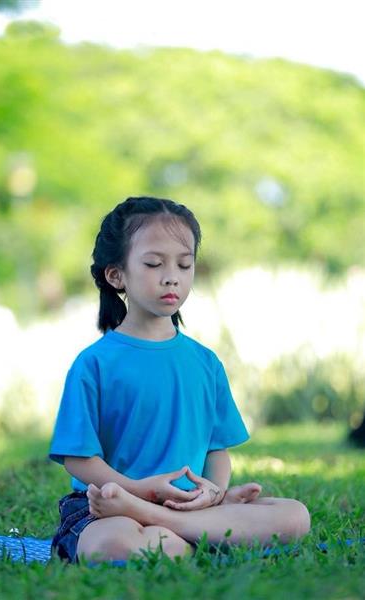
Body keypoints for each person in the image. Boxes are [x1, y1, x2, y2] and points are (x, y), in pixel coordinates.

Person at [49, 196, 310, 565]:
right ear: (116, 274)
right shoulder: (94, 363)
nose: (172, 275)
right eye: (154, 263)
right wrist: (136, 492)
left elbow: (217, 450)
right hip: (110, 505)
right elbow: (79, 459)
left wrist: (215, 493)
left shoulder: (205, 362)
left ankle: (169, 525)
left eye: (184, 264)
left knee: (295, 516)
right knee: (111, 546)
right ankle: (191, 534)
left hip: (187, 504)